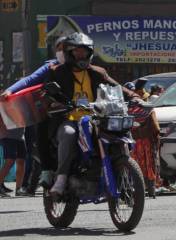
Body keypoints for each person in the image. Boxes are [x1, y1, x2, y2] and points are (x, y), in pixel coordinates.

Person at [41, 32, 137, 196]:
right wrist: (54, 103)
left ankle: (122, 170)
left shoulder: (98, 72)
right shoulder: (56, 71)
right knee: (68, 133)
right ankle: (62, 177)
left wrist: (134, 96)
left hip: (97, 118)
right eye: (78, 52)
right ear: (69, 53)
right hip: (70, 118)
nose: (81, 55)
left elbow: (117, 87)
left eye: (85, 52)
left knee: (121, 129)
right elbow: (46, 94)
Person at [0, 36, 67, 194]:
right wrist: (10, 90)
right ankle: (48, 171)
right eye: (60, 49)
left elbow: (107, 82)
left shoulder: (88, 69)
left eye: (67, 48)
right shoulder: (51, 67)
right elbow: (30, 80)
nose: (63, 52)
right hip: (56, 113)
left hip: (82, 112)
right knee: (47, 136)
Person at [0, 127, 27, 197]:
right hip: (7, 135)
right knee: (10, 161)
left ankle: (18, 189)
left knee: (21, 161)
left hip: (20, 136)